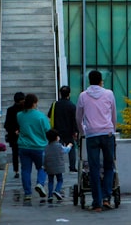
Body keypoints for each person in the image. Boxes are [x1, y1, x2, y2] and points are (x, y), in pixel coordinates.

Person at [76, 70, 117, 212]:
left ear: (89, 81)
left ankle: (97, 202)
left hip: (91, 135)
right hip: (107, 133)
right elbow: (113, 115)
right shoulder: (109, 94)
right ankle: (106, 197)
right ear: (101, 81)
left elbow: (78, 117)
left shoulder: (83, 96)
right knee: (109, 166)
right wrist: (112, 129)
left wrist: (83, 132)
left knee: (93, 168)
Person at [16, 93, 49, 204]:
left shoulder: (20, 115)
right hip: (39, 146)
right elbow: (47, 130)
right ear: (35, 103)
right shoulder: (41, 116)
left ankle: (27, 193)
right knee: (42, 167)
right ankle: (40, 183)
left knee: (25, 170)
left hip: (24, 146)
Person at [48, 85, 79, 172]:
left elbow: (49, 115)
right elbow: (74, 120)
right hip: (69, 131)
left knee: (57, 149)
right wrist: (75, 131)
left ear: (60, 94)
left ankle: (57, 165)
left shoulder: (55, 104)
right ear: (69, 94)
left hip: (57, 131)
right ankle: (72, 167)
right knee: (71, 149)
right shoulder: (72, 106)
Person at [43, 128, 71, 203]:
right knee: (60, 180)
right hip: (59, 166)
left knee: (50, 181)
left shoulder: (46, 147)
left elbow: (44, 157)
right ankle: (57, 190)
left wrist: (44, 166)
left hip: (49, 167)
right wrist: (69, 146)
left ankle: (50, 196)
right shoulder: (59, 146)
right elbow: (65, 150)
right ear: (56, 137)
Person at [3, 92, 25, 178]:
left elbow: (6, 125)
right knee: (23, 153)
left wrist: (13, 131)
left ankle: (16, 171)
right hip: (24, 135)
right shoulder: (25, 110)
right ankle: (24, 169)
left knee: (15, 153)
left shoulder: (10, 110)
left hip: (13, 135)